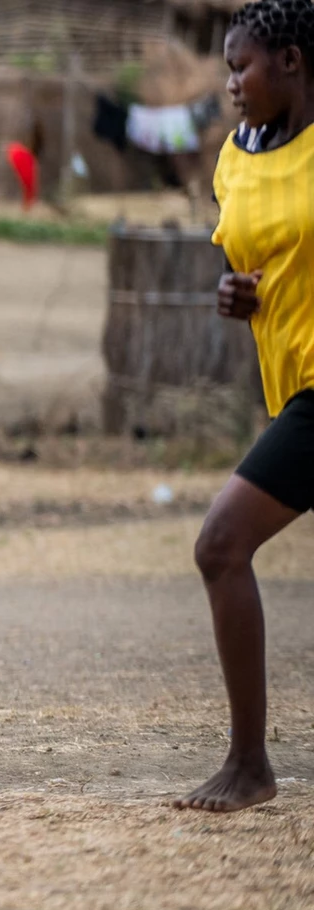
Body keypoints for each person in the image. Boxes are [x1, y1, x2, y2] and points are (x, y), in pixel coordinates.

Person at [180, 0, 314, 813]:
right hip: (297, 391)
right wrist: (235, 294)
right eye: (228, 67)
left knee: (220, 543)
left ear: (293, 62)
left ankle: (249, 765)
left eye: (243, 66)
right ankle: (251, 765)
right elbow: (250, 263)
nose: (231, 83)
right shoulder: (236, 157)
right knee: (222, 547)